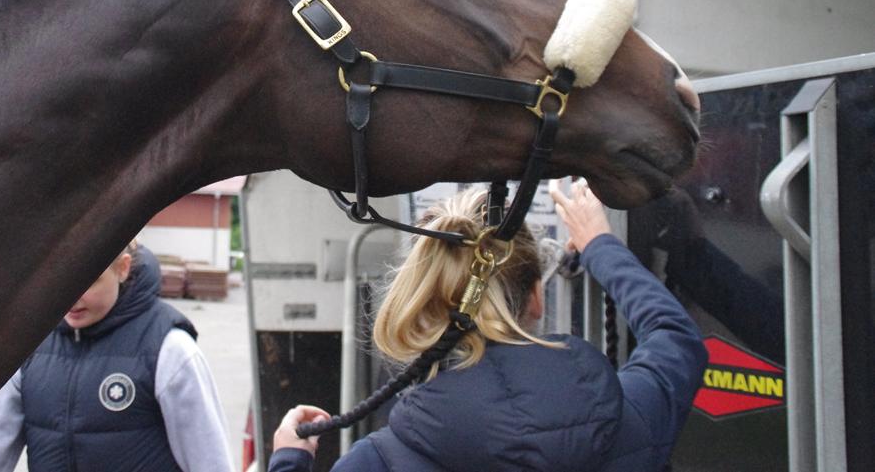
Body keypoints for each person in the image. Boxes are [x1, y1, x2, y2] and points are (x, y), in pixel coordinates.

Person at [269, 180, 708, 472]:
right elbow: (675, 336)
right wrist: (599, 245)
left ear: (428, 307)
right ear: (536, 296)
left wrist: (290, 458)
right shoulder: (630, 417)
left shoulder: (380, 461)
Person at [0, 241, 234, 472]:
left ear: (122, 269)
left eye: (89, 282)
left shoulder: (170, 350)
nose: (72, 299)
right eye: (61, 282)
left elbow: (210, 462)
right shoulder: (26, 347)